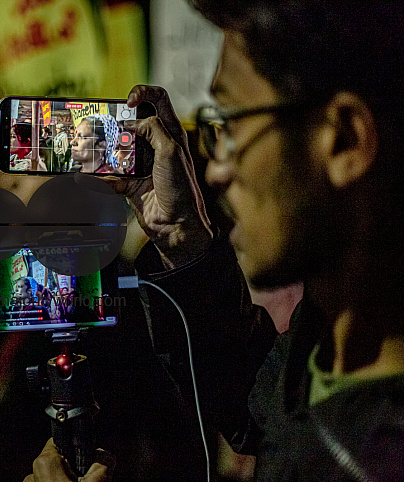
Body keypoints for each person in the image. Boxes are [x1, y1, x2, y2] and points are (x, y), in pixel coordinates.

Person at [25, 1, 404, 480]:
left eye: (232, 125)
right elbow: (259, 403)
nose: (216, 170)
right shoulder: (325, 344)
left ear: (344, 139)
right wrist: (180, 234)